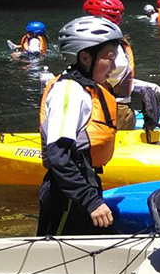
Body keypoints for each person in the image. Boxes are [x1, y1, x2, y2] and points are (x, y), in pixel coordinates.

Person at [37, 16, 122, 236]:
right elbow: (58, 156)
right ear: (85, 57)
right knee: (59, 254)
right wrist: (91, 200)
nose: (114, 67)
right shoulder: (68, 92)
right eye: (110, 58)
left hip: (81, 187)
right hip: (66, 196)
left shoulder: (85, 88)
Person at [81, 0, 160, 130]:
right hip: (114, 110)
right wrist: (146, 87)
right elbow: (117, 78)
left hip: (106, 110)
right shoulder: (113, 47)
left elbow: (112, 78)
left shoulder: (99, 48)